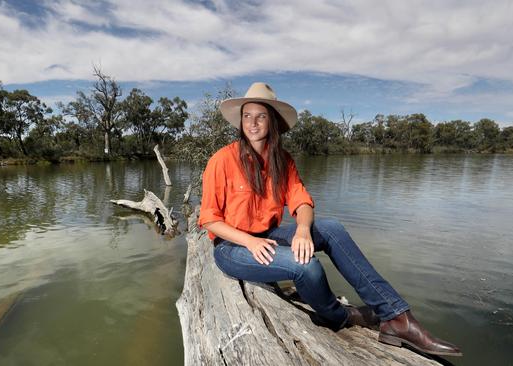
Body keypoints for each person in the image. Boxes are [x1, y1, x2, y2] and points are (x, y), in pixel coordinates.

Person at [198, 82, 462, 357]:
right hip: (232, 247)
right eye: (247, 116)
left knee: (331, 229)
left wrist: (302, 228)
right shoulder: (222, 160)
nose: (252, 123)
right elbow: (209, 219)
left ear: (272, 121)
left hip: (269, 234)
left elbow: (301, 201)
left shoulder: (282, 160)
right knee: (307, 267)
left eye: (261, 116)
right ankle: (338, 316)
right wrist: (250, 242)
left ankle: (397, 317)